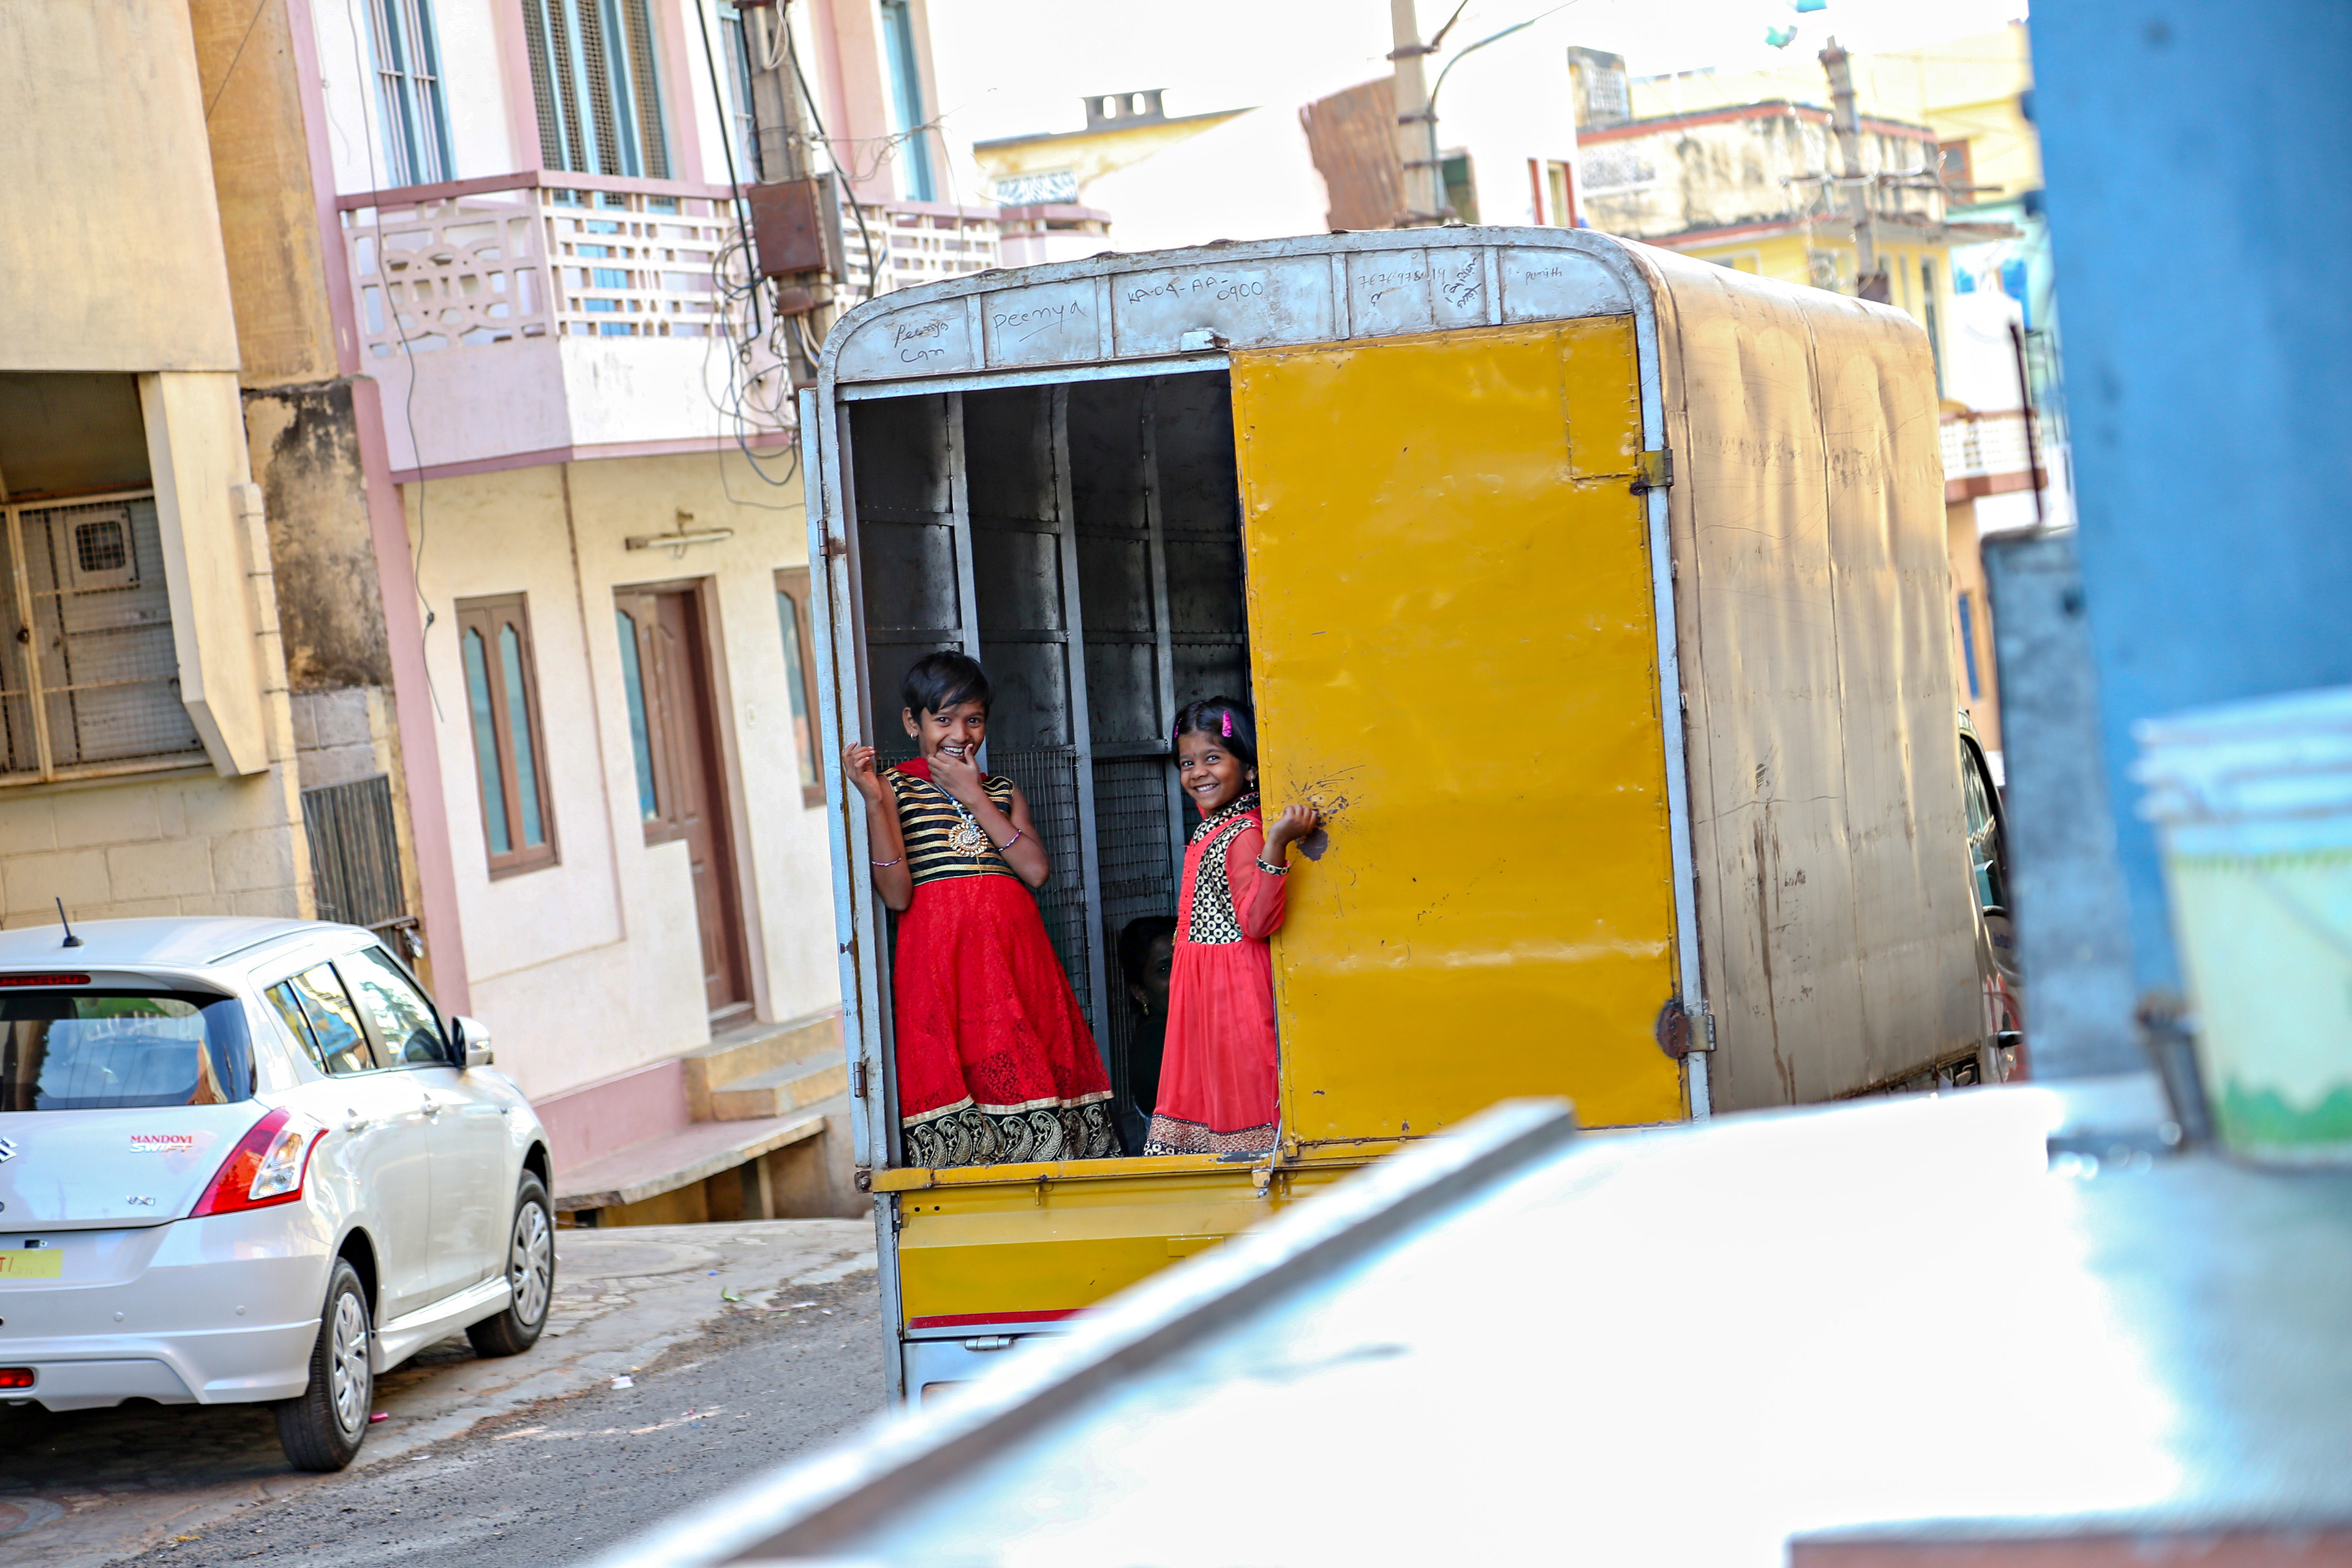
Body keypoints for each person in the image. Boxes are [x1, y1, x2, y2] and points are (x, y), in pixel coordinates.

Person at [845, 652, 1117, 1168]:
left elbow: (1035, 871)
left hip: (1016, 960)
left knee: (1027, 1059)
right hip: (944, 966)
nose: (960, 734)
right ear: (912, 722)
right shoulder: (893, 788)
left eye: (973, 720)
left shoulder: (1000, 790)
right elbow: (898, 895)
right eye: (943, 720)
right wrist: (875, 802)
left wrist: (974, 796)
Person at [1145, 698, 1320, 1158]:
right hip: (1210, 989)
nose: (1198, 772)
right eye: (1187, 762)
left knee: (1245, 1090)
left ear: (1249, 769)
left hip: (1235, 991)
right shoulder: (1213, 828)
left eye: (1212, 758)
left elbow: (1257, 922)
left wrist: (1277, 842)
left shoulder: (1243, 832)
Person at [1115, 914, 1177, 1153]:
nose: (1181, 975)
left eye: (1185, 960)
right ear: (1140, 992)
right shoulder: (1155, 1041)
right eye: (1164, 969)